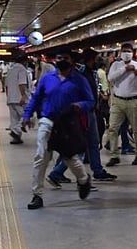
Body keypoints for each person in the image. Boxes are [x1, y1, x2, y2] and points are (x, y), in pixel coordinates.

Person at [22, 49, 94, 210]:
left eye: (65, 57)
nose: (61, 60)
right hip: (47, 120)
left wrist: (80, 105)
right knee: (41, 156)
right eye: (59, 57)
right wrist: (27, 115)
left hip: (67, 124)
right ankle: (37, 195)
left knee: (70, 158)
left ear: (72, 61)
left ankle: (83, 180)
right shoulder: (47, 79)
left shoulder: (79, 80)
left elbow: (90, 101)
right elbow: (36, 98)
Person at [48, 49, 117, 184]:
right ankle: (57, 173)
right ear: (88, 60)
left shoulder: (88, 73)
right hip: (83, 114)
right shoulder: (81, 75)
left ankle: (96, 170)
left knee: (88, 144)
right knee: (80, 146)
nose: (99, 61)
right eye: (96, 59)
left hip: (88, 112)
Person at [106, 43, 137, 166]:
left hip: (134, 101)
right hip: (117, 101)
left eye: (128, 51)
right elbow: (111, 78)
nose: (126, 53)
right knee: (113, 128)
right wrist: (125, 69)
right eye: (124, 51)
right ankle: (114, 155)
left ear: (133, 53)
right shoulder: (116, 65)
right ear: (120, 52)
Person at [6, 53, 31, 144]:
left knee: (14, 118)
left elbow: (7, 86)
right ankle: (16, 130)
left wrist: (8, 96)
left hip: (11, 98)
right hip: (20, 98)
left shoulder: (10, 70)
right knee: (28, 115)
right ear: (24, 61)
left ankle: (16, 138)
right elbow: (22, 83)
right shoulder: (22, 70)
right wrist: (23, 96)